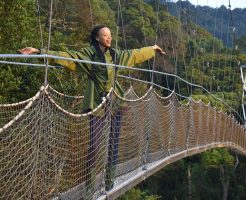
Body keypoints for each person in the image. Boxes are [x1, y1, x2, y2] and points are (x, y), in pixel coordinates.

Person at [19, 24, 165, 193]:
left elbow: (134, 54)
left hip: (115, 102)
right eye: (105, 35)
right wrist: (39, 51)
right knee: (94, 147)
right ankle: (89, 190)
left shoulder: (115, 55)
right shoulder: (89, 55)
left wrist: (152, 49)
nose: (109, 38)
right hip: (96, 103)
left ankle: (109, 183)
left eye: (110, 35)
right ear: (97, 38)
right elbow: (68, 57)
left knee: (113, 145)